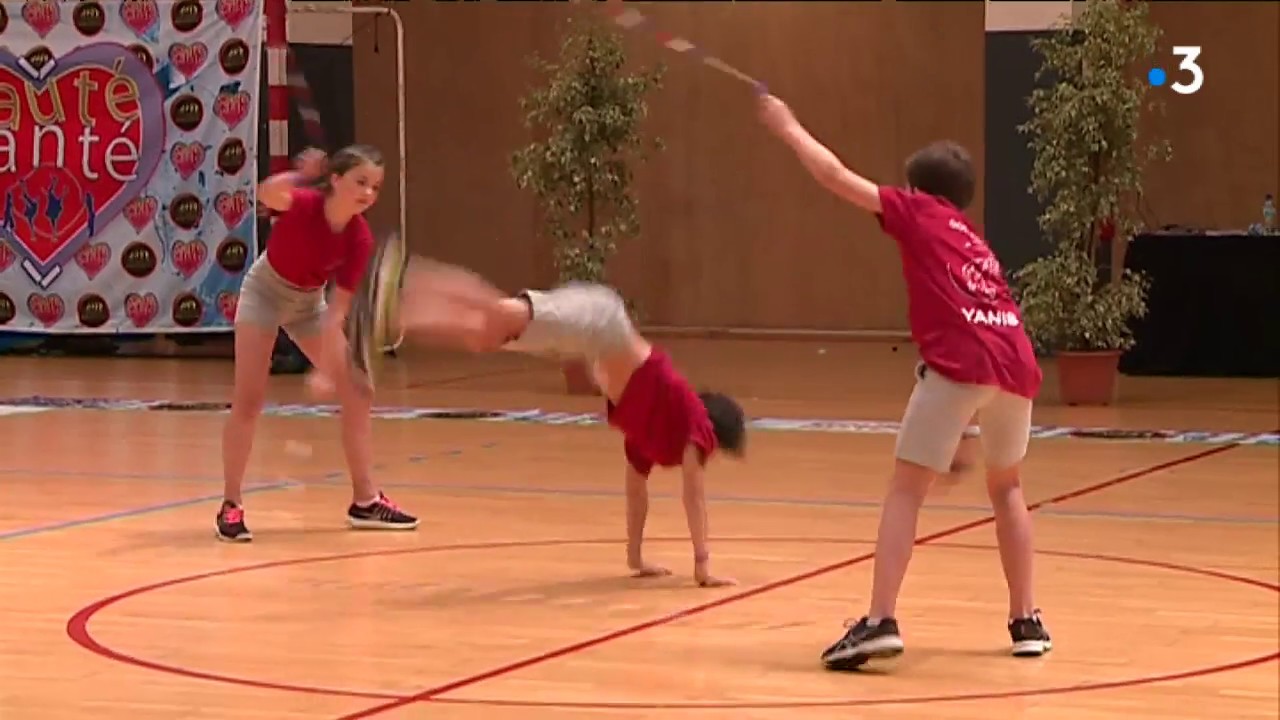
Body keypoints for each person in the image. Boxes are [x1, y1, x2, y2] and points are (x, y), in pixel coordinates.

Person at [756, 93, 1051, 669]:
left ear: (919, 192)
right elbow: (974, 325)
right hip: (1014, 365)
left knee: (905, 490)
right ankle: (1027, 621)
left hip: (964, 366)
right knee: (1008, 488)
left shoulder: (918, 214)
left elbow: (834, 175)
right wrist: (963, 431)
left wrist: (787, 125)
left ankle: (878, 621)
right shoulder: (972, 237)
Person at [397, 261, 747, 587]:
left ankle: (399, 313)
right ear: (717, 432)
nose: (706, 458)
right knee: (500, 314)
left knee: (485, 336)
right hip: (603, 321)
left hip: (591, 342)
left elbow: (637, 492)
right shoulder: (695, 424)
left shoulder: (653, 433)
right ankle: (412, 278)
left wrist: (636, 557)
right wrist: (703, 564)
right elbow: (693, 495)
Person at [218, 145, 418, 541]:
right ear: (336, 180)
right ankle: (231, 505)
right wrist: (301, 176)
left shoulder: (358, 239)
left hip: (308, 304)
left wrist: (323, 367)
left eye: (375, 187)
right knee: (249, 399)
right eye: (360, 182)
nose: (368, 194)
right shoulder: (305, 202)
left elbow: (335, 312)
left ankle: (365, 500)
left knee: (358, 389)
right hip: (265, 293)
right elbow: (265, 192)